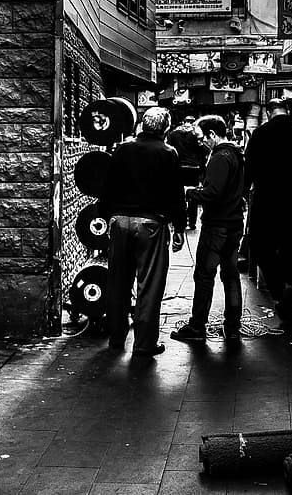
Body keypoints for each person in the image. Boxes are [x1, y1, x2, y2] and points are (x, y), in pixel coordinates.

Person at [98, 106, 187, 357]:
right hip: (150, 224)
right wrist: (179, 226)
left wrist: (106, 218)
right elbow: (175, 194)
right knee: (149, 285)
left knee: (117, 281)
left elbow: (108, 186)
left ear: (143, 125)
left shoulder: (123, 148)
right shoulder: (168, 153)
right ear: (165, 129)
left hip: (119, 221)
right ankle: (144, 344)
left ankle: (116, 339)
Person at [243, 97, 292, 320]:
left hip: (267, 203)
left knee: (261, 248)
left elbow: (248, 170)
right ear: (287, 111)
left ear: (268, 113)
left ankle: (278, 291)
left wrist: (241, 195)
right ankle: (290, 285)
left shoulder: (259, 135)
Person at [171, 115, 245, 345]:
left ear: (213, 135)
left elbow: (213, 193)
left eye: (202, 137)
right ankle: (233, 326)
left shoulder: (220, 157)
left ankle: (197, 326)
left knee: (204, 275)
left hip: (217, 226)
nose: (200, 142)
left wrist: (190, 192)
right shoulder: (237, 155)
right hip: (234, 223)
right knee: (231, 275)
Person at [167, 113, 205, 229]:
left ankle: (177, 219)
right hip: (193, 168)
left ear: (183, 122)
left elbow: (169, 148)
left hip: (179, 167)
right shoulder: (196, 134)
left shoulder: (174, 133)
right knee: (193, 194)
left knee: (177, 193)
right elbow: (202, 150)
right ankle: (192, 222)